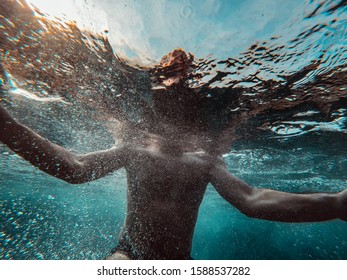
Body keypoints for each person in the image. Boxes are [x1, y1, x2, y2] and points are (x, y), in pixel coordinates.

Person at [1, 49, 346, 260]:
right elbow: (75, 168)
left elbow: (251, 200)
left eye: (185, 86)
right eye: (170, 85)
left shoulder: (206, 162)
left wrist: (337, 204)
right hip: (128, 256)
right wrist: (8, 127)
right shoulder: (134, 149)